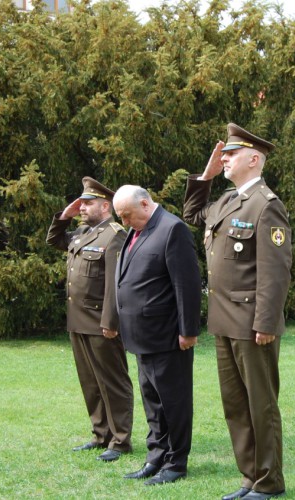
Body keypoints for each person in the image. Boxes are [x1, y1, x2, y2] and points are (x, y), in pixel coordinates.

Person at [184, 123, 292, 500]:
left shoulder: (267, 204)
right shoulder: (229, 200)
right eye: (224, 154)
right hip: (224, 319)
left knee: (261, 404)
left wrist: (266, 322)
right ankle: (250, 476)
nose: (224, 158)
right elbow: (193, 214)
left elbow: (275, 272)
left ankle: (269, 481)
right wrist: (206, 177)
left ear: (253, 159)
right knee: (235, 405)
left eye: (231, 154)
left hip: (251, 322)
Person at [113, 185, 201, 485]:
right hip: (142, 336)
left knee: (173, 402)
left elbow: (186, 284)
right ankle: (156, 456)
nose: (124, 221)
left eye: (127, 215)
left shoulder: (172, 229)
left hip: (167, 336)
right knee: (152, 402)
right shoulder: (135, 230)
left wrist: (188, 330)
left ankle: (176, 462)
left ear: (144, 203)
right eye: (121, 216)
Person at [45, 176, 133, 462]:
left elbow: (114, 284)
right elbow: (54, 240)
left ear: (105, 206)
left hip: (100, 323)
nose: (81, 207)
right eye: (81, 202)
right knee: (91, 382)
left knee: (112, 382)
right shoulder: (83, 233)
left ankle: (120, 440)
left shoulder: (115, 235)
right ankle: (100, 434)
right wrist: (63, 217)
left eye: (87, 203)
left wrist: (110, 321)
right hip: (78, 321)